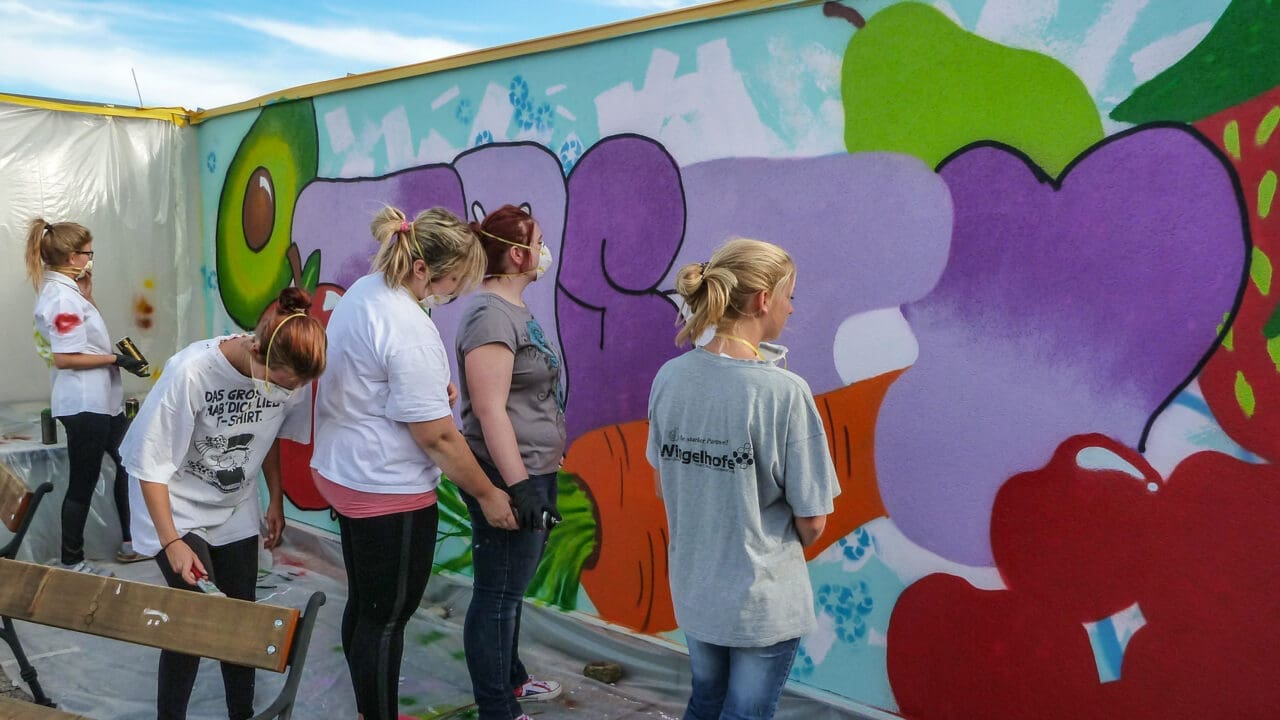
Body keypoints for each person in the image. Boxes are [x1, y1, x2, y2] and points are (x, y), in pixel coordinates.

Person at [310, 206, 519, 720]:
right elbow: (440, 437)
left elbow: (374, 380)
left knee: (365, 605)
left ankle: (370, 709)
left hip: (346, 471)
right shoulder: (407, 324)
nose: (452, 291)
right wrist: (489, 495)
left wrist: (427, 391)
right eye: (452, 281)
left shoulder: (365, 291)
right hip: (388, 487)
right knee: (388, 618)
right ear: (423, 269)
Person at [646, 238, 839, 720]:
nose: (792, 309)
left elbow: (662, 482)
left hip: (695, 587)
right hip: (761, 601)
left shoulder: (670, 377)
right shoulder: (785, 393)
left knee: (705, 701)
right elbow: (813, 520)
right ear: (762, 300)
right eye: (789, 295)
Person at [119, 287, 326, 720]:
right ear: (256, 349)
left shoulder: (292, 376)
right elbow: (149, 465)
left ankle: (242, 713)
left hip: (233, 505)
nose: (283, 393)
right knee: (193, 622)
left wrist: (275, 500)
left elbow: (266, 435)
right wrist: (172, 541)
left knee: (239, 618)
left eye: (290, 388)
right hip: (174, 505)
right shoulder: (191, 373)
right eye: (277, 382)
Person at [456, 205, 565, 720]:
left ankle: (513, 680)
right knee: (497, 593)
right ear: (518, 253)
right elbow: (489, 408)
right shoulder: (490, 317)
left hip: (533, 469)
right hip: (510, 474)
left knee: (511, 588)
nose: (545, 251)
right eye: (539, 241)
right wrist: (518, 487)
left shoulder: (515, 312)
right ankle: (496, 707)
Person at [27, 218, 149, 577]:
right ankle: (72, 561)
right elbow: (67, 357)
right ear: (70, 255)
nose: (91, 257)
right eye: (87, 252)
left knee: (130, 462)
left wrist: (89, 292)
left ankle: (132, 542)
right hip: (85, 404)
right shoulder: (61, 298)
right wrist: (117, 359)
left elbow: (85, 337)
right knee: (84, 480)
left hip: (101, 400)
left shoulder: (69, 290)